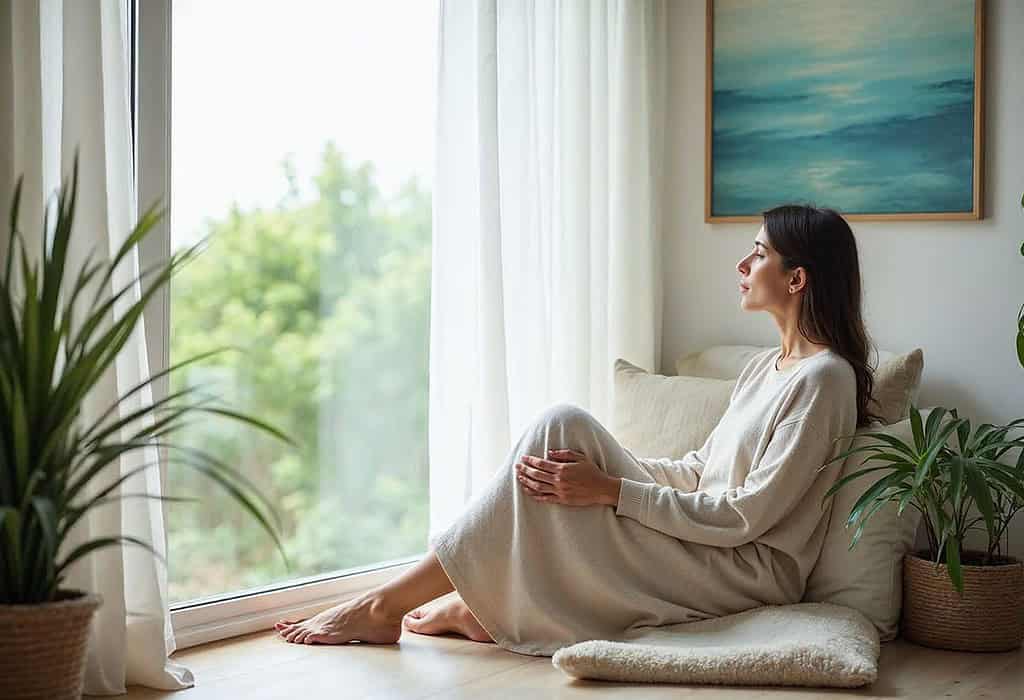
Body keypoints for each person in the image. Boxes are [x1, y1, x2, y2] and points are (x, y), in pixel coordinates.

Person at [275, 204, 880, 651]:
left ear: (796, 279)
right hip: (709, 538)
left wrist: (615, 491)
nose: (743, 264)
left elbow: (748, 516)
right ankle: (471, 603)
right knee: (563, 428)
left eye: (759, 253)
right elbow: (701, 470)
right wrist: (609, 471)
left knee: (580, 476)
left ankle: (391, 602)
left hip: (746, 569)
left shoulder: (824, 380)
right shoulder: (766, 366)